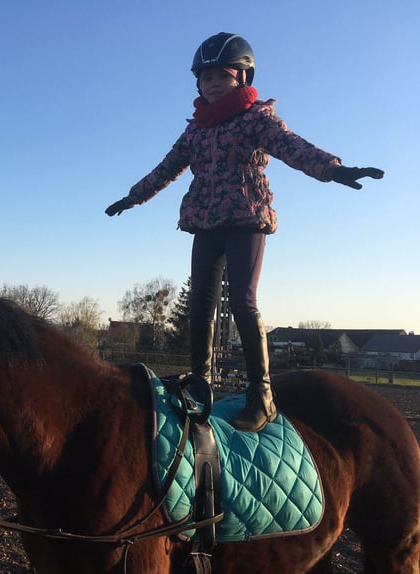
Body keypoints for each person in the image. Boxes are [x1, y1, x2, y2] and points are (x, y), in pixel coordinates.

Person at [105, 32, 383, 432]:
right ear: (197, 84)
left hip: (247, 219)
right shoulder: (196, 129)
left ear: (242, 77)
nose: (213, 83)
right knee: (199, 302)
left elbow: (292, 147)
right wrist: (134, 197)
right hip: (205, 222)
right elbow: (166, 168)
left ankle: (262, 396)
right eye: (206, 78)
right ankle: (198, 385)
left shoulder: (256, 118)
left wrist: (334, 170)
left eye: (222, 76)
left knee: (242, 300)